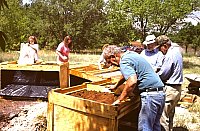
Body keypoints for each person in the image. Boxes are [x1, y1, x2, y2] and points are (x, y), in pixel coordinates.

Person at [103, 45, 165, 131]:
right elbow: (128, 73)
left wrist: (120, 99)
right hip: (159, 93)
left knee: (145, 127)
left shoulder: (124, 61)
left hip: (150, 96)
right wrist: (116, 85)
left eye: (109, 61)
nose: (111, 65)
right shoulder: (130, 54)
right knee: (155, 126)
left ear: (113, 56)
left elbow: (132, 81)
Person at [156, 35, 183, 131]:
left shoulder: (169, 55)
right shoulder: (177, 51)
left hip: (170, 89)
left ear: (165, 46)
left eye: (160, 48)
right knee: (170, 115)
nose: (160, 51)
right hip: (177, 88)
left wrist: (154, 76)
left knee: (163, 118)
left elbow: (163, 74)